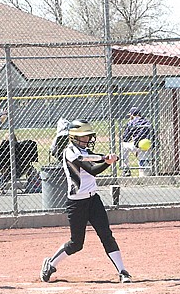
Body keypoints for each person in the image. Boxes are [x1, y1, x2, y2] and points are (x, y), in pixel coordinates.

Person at [39, 120, 132, 283]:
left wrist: (105, 158)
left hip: (93, 200)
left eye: (88, 136)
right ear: (74, 137)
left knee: (106, 235)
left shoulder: (84, 151)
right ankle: (51, 264)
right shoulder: (70, 153)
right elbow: (92, 170)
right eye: (83, 137)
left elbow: (93, 158)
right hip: (76, 203)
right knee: (76, 243)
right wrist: (107, 162)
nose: (87, 139)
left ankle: (122, 271)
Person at [120, 107, 155, 176]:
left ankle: (126, 169)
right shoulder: (147, 121)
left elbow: (125, 138)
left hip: (137, 144)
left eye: (130, 115)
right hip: (148, 145)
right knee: (143, 159)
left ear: (132, 115)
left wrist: (132, 139)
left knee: (123, 145)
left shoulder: (131, 122)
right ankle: (145, 173)